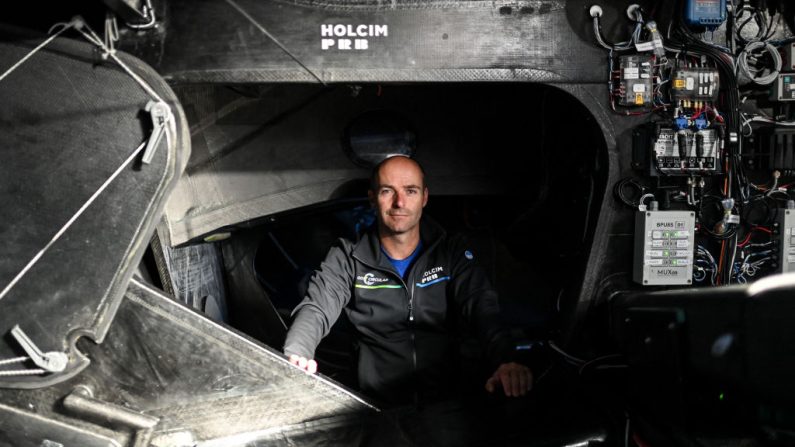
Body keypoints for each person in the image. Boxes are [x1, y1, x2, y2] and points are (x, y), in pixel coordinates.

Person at [283, 155, 532, 408]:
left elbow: (482, 306)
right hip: (374, 408)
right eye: (387, 191)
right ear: (372, 198)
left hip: (448, 405)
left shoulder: (451, 251)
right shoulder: (349, 256)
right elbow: (316, 308)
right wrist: (297, 354)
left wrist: (506, 360)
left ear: (424, 197)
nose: (399, 202)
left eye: (410, 191)